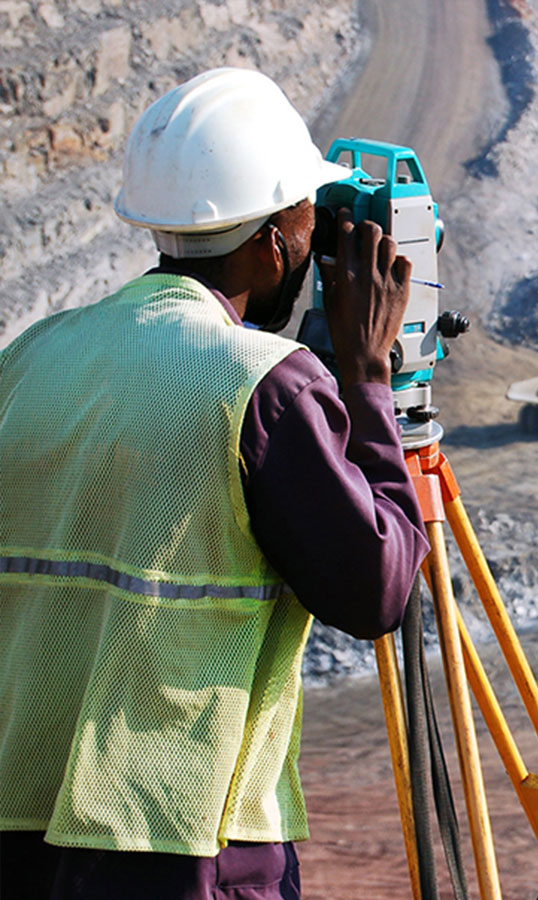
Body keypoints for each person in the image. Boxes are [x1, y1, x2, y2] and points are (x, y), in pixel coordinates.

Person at [0, 68, 430, 899]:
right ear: (273, 241)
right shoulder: (263, 385)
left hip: (21, 835)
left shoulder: (30, 355)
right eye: (310, 219)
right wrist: (370, 382)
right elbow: (378, 589)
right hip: (185, 847)